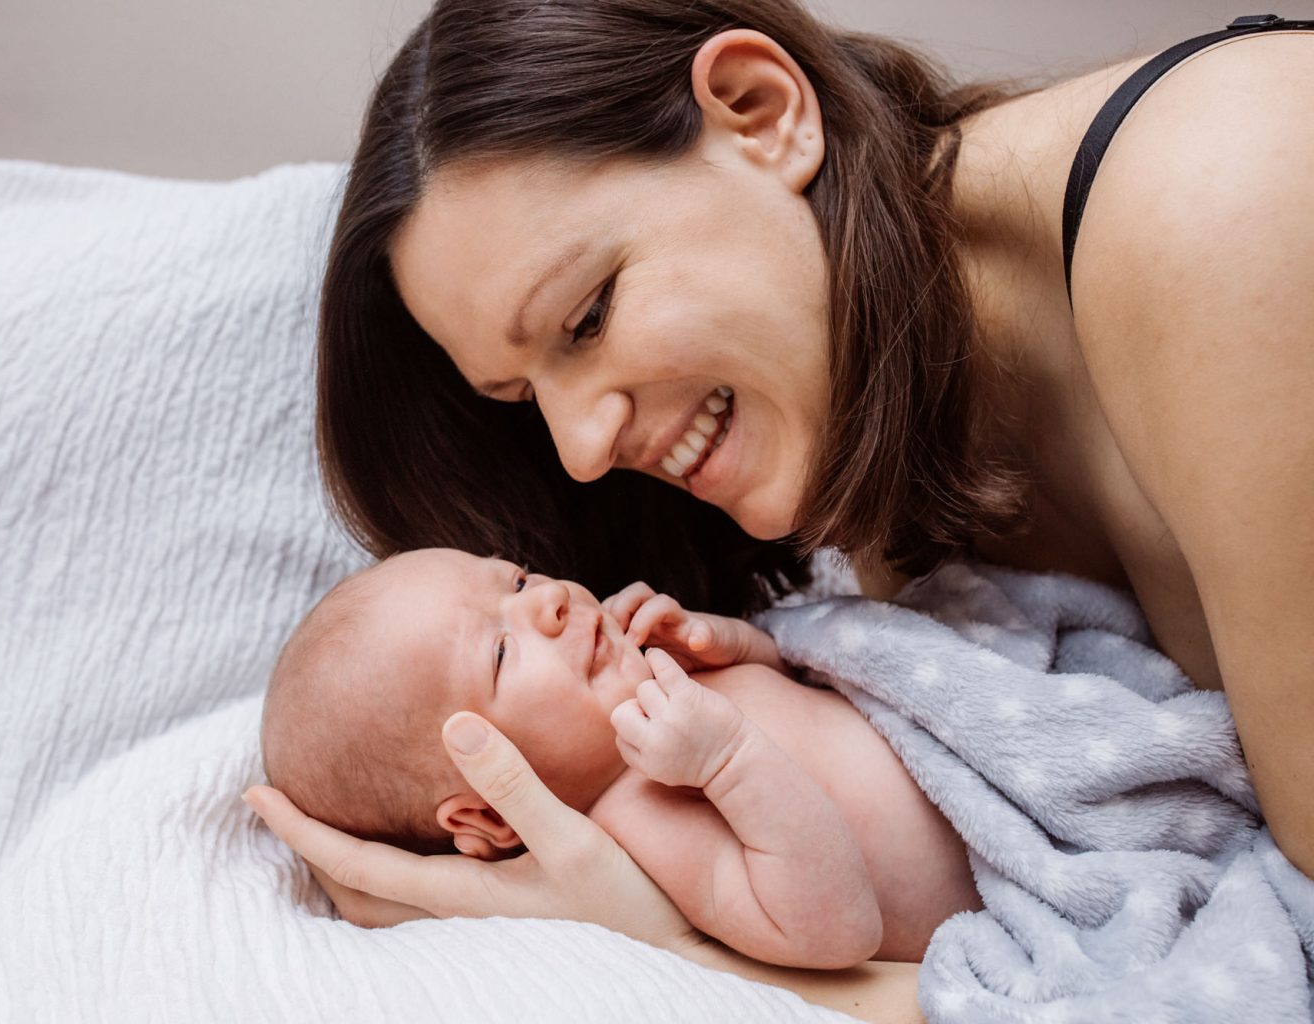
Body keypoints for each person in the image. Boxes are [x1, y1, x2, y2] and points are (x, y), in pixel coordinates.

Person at [247, 1, 1313, 1017]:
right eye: (525, 400)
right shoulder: (882, 458)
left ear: (760, 113)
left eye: (588, 316)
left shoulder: (1235, 193)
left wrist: (679, 959)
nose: (579, 453)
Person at [259, 549, 980, 968]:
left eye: (516, 580)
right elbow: (836, 931)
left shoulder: (659, 692)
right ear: (492, 813)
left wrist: (733, 644)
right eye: (502, 652)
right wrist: (728, 762)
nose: (549, 602)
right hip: (991, 861)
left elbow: (807, 693)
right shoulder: (642, 821)